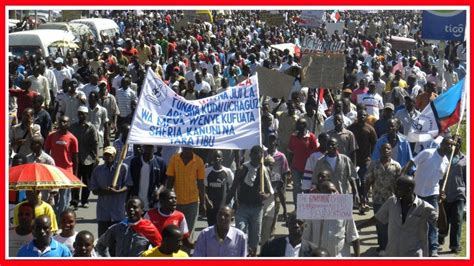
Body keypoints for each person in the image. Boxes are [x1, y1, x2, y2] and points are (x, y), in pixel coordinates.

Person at [357, 175, 438, 257]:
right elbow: (377, 218)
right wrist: (357, 227)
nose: (395, 190)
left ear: (409, 189)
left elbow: (441, 226)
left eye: (398, 188)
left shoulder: (424, 207)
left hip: (413, 255)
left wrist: (441, 205)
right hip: (392, 254)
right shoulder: (392, 202)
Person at [402, 137, 455, 257]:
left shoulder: (446, 162)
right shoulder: (427, 153)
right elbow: (412, 162)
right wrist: (403, 175)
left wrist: (442, 191)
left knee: (433, 222)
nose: (449, 147)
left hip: (433, 194)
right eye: (447, 144)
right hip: (417, 193)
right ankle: (412, 245)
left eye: (451, 146)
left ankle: (433, 248)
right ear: (441, 144)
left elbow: (441, 180)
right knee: (414, 220)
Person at [225, 145, 272, 256]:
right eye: (254, 157)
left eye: (259, 158)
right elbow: (233, 188)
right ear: (250, 156)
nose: (256, 160)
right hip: (242, 207)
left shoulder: (263, 170)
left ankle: (252, 257)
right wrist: (225, 204)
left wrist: (265, 195)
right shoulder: (242, 169)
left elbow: (270, 190)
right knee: (240, 233)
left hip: (257, 209)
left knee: (255, 238)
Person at [302, 181, 360, 257]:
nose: (332, 194)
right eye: (327, 192)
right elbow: (306, 236)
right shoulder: (312, 211)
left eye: (334, 191)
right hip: (317, 257)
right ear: (319, 193)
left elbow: (354, 236)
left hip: (338, 257)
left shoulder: (344, 211)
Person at [364, 143, 401, 255]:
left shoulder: (396, 166)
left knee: (391, 224)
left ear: (391, 151)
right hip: (378, 199)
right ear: (380, 151)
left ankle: (391, 245)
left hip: (392, 200)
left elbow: (399, 184)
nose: (386, 150)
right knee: (380, 224)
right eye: (383, 148)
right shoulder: (374, 165)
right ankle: (382, 247)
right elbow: (368, 180)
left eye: (388, 148)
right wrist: (364, 196)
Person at [96, 197, 162, 257]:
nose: (131, 209)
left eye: (135, 207)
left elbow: (159, 251)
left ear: (142, 211)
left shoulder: (149, 229)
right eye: (128, 207)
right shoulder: (119, 228)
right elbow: (100, 245)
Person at [89, 146, 132, 237]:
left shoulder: (123, 168)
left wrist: (118, 191)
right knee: (103, 238)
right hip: (103, 212)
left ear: (114, 156)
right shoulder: (98, 170)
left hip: (118, 212)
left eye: (110, 155)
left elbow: (128, 185)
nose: (108, 157)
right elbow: (94, 190)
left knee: (117, 239)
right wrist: (106, 191)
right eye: (106, 155)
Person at [44, 115, 79, 218]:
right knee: (54, 196)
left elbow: (75, 157)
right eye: (61, 122)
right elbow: (46, 152)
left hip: (67, 171)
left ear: (68, 124)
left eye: (65, 122)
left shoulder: (72, 138)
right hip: (54, 171)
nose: (63, 124)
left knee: (64, 197)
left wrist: (75, 174)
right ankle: (53, 217)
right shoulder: (51, 136)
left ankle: (60, 219)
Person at [166, 147, 206, 235]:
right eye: (185, 146)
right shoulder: (174, 159)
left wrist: (203, 202)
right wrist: (166, 200)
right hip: (176, 203)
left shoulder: (199, 161)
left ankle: (185, 249)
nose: (187, 148)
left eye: (189, 146)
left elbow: (201, 183)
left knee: (187, 233)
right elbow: (170, 181)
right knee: (174, 232)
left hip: (192, 203)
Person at [439, 138, 465, 254]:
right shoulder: (443, 158)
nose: (457, 144)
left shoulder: (465, 160)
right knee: (444, 218)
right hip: (444, 193)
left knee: (457, 219)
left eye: (459, 143)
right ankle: (441, 235)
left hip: (459, 193)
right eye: (455, 142)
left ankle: (455, 244)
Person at [347, 109, 378, 212]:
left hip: (366, 160)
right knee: (356, 181)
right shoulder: (351, 128)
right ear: (357, 116)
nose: (362, 117)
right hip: (353, 160)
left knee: (364, 181)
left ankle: (363, 201)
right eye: (360, 115)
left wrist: (370, 156)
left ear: (366, 117)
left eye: (364, 115)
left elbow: (374, 144)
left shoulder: (370, 129)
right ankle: (358, 199)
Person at [312, 137, 359, 202]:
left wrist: (355, 193)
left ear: (337, 146)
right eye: (328, 145)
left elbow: (352, 178)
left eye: (333, 144)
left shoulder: (345, 160)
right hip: (325, 199)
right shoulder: (320, 162)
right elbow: (315, 181)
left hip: (342, 197)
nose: (330, 146)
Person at [69, 106, 99, 209]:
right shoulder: (73, 127)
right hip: (75, 159)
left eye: (83, 114)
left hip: (88, 158)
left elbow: (95, 143)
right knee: (76, 180)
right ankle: (74, 201)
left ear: (86, 115)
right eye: (79, 113)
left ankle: (85, 200)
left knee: (87, 181)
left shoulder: (91, 127)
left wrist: (96, 157)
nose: (81, 115)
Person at [287, 118, 318, 207]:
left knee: (307, 188)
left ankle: (307, 207)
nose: (296, 125)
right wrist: (289, 167)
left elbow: (316, 153)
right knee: (297, 188)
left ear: (304, 126)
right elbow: (290, 153)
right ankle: (298, 208)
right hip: (296, 167)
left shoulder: (311, 137)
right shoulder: (293, 136)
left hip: (308, 168)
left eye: (299, 124)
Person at [129, 145, 167, 210]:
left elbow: (164, 181)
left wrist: (158, 191)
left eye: (151, 146)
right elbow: (130, 181)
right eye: (146, 146)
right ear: (143, 147)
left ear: (154, 148)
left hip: (153, 203)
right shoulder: (135, 161)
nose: (148, 148)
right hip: (137, 202)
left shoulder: (160, 162)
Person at [204, 149, 234, 226]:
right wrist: (207, 201)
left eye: (218, 157)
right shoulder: (207, 171)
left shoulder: (227, 171)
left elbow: (233, 188)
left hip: (223, 205)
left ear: (222, 159)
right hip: (211, 205)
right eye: (215, 157)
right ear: (212, 158)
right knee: (211, 226)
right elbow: (204, 188)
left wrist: (231, 201)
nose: (216, 158)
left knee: (223, 226)